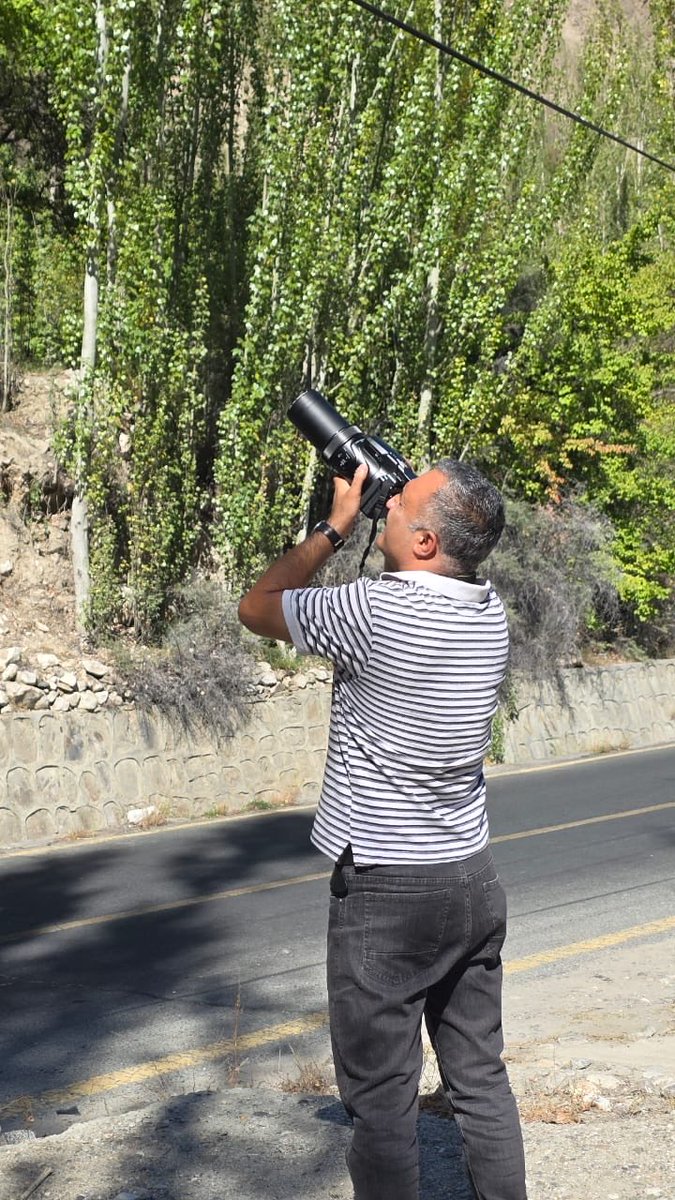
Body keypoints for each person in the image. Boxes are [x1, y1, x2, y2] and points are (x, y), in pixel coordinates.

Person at [238, 458, 527, 1200]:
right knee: (480, 1080)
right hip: (470, 877)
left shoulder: (374, 611)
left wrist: (336, 526)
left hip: (386, 890)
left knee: (383, 1103)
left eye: (401, 502)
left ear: (426, 542)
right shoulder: (489, 612)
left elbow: (258, 606)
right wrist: (388, 516)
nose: (387, 502)